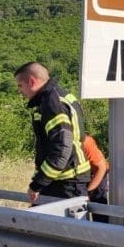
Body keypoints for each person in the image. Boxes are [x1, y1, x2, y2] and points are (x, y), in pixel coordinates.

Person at [14, 62, 91, 205]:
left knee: (42, 225)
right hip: (64, 179)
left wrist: (37, 184)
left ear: (31, 81)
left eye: (20, 85)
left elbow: (61, 149)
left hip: (65, 183)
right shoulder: (62, 95)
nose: (20, 91)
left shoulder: (51, 103)